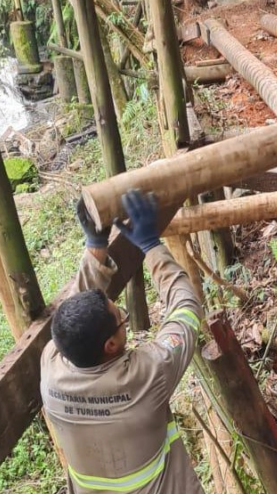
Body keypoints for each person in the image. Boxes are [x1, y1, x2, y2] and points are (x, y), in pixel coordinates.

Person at [41, 190, 205, 493]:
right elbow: (185, 308)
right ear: (111, 346)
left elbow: (78, 316)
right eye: (122, 318)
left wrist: (95, 249)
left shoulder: (53, 364)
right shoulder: (146, 377)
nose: (124, 318)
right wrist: (151, 246)